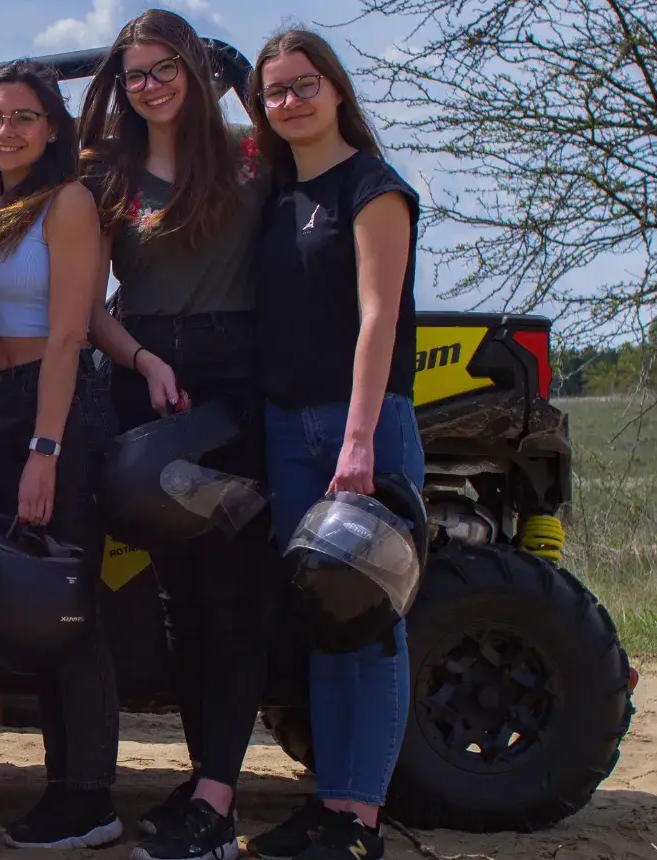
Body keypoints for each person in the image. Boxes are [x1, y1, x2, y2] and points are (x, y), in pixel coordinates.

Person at [75, 10, 285, 859]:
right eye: (137, 74)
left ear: (198, 71)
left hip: (236, 386)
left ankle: (217, 800)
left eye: (169, 68)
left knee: (235, 590)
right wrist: (140, 360)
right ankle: (207, 779)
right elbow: (86, 304)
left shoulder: (251, 155)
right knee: (180, 599)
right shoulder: (107, 172)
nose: (152, 85)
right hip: (149, 383)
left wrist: (241, 72)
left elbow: (308, 148)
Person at [243, 28, 423, 860]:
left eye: (304, 84)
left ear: (337, 89)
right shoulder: (276, 199)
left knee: (372, 621)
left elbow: (378, 319)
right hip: (287, 428)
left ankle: (361, 820)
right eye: (275, 91)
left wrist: (356, 445)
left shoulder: (373, 187)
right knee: (323, 614)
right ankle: (329, 804)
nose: (290, 101)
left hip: (363, 429)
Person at [0, 59, 122, 851]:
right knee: (33, 601)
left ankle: (89, 797)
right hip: (1, 402)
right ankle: (64, 791)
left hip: (53, 409)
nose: (6, 130)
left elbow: (69, 333)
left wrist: (45, 447)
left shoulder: (68, 201)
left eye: (25, 117)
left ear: (53, 128)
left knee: (68, 601)